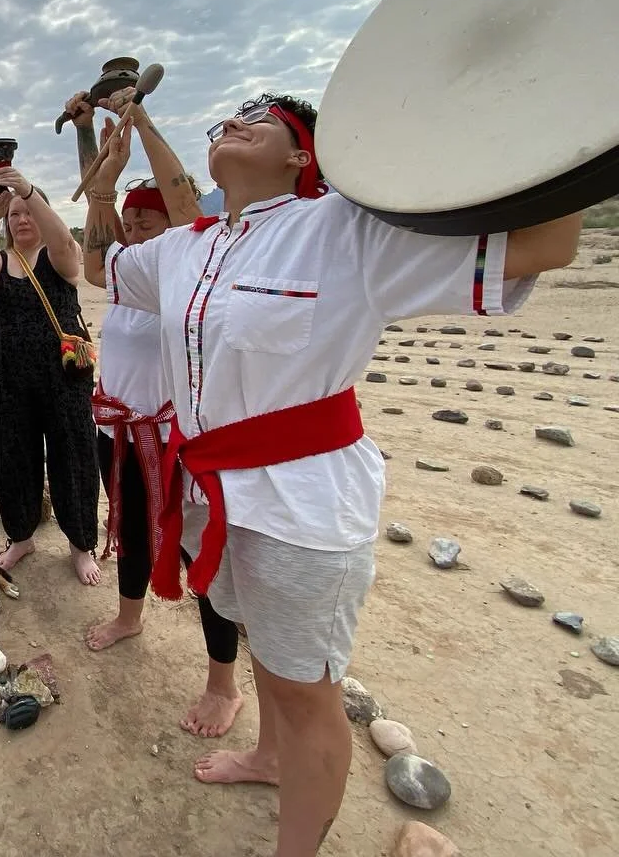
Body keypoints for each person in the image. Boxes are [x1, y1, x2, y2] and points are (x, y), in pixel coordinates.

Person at [85, 87, 581, 857]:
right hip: (213, 496)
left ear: (302, 156)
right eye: (225, 119)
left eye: (260, 119)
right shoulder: (191, 245)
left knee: (304, 688)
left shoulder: (348, 230)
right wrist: (100, 180)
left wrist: (550, 109)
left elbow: (545, 246)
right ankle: (270, 757)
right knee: (267, 657)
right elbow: (96, 266)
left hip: (304, 507)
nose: (233, 124)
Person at [70, 93, 247, 741]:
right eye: (131, 224)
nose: (137, 232)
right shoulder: (127, 276)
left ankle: (223, 684)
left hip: (175, 439)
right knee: (132, 531)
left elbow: (186, 209)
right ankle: (129, 615)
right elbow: (95, 239)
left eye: (148, 225)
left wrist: (140, 124)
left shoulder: (187, 269)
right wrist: (101, 173)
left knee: (202, 556)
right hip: (115, 428)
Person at [0, 160, 102, 585]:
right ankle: (20, 537)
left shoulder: (59, 254)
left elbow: (64, 239)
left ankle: (81, 544)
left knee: (73, 454)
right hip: (7, 375)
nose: (22, 219)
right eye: (15, 215)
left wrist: (26, 191)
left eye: (28, 211)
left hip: (62, 375)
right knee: (12, 457)